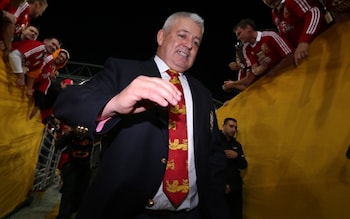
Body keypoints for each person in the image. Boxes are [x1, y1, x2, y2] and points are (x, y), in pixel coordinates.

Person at [53, 11, 230, 219]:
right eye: (182, 35)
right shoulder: (124, 71)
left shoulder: (203, 95)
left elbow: (213, 152)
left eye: (196, 42)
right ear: (161, 36)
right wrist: (115, 103)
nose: (189, 45)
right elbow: (67, 103)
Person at [222, 18, 294, 91]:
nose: (238, 38)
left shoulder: (270, 35)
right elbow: (254, 71)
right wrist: (263, 67)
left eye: (239, 34)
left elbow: (291, 55)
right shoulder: (246, 49)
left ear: (248, 28)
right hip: (273, 83)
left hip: (291, 73)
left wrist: (273, 71)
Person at [262, 0, 329, 66]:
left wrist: (303, 42)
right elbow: (287, 35)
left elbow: (314, 13)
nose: (268, 1)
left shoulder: (291, 1)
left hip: (325, 44)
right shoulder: (274, 13)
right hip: (309, 54)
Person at [55, 125, 93, 219]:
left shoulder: (93, 133)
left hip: (87, 168)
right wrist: (69, 133)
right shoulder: (72, 133)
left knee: (81, 193)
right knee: (68, 192)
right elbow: (58, 145)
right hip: (73, 166)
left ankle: (74, 211)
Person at [218, 118, 247, 219]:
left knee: (236, 214)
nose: (234, 129)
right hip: (219, 187)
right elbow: (211, 164)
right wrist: (222, 183)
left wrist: (237, 156)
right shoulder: (215, 141)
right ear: (223, 126)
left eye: (235, 127)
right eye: (231, 126)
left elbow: (244, 165)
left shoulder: (237, 145)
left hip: (235, 188)